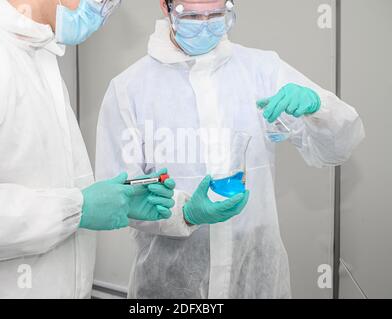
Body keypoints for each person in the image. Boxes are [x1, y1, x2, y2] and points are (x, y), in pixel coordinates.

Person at [95, 0, 365, 298]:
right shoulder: (129, 89)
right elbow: (119, 196)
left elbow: (338, 147)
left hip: (257, 280)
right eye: (193, 15)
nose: (206, 24)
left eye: (217, 14)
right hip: (168, 288)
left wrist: (319, 108)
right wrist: (184, 213)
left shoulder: (262, 69)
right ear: (165, 6)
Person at [0, 0, 174, 299]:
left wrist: (118, 201)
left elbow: (40, 181)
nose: (102, 10)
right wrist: (77, 209)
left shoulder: (35, 54)